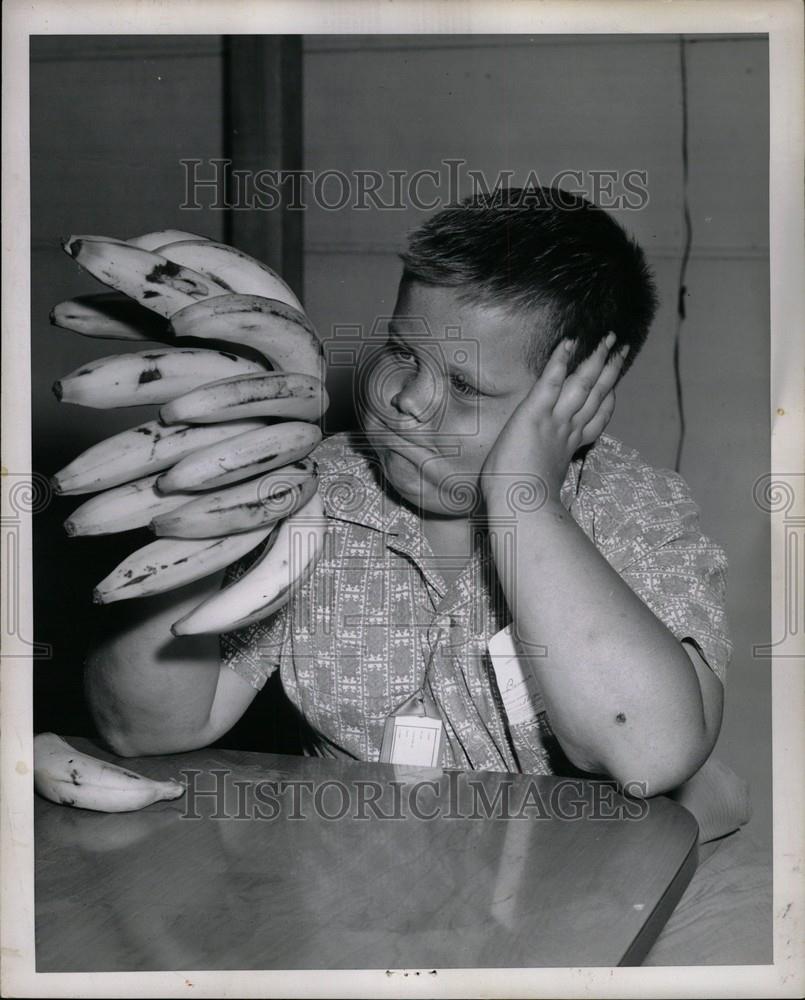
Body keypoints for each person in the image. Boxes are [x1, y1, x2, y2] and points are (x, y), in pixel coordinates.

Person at [84, 187, 770, 964]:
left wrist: (523, 495)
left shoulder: (633, 512)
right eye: (403, 352)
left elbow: (649, 755)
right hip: (351, 919)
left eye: (467, 386)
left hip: (586, 924)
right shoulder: (311, 494)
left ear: (578, 405)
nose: (407, 399)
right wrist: (200, 521)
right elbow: (146, 729)